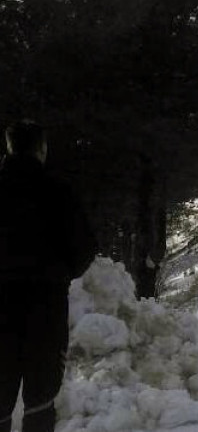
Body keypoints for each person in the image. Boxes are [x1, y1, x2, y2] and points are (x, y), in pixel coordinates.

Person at [0, 120, 97, 432]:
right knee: (40, 397)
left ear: (9, 146)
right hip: (45, 306)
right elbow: (84, 248)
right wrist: (59, 274)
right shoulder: (58, 192)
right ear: (41, 149)